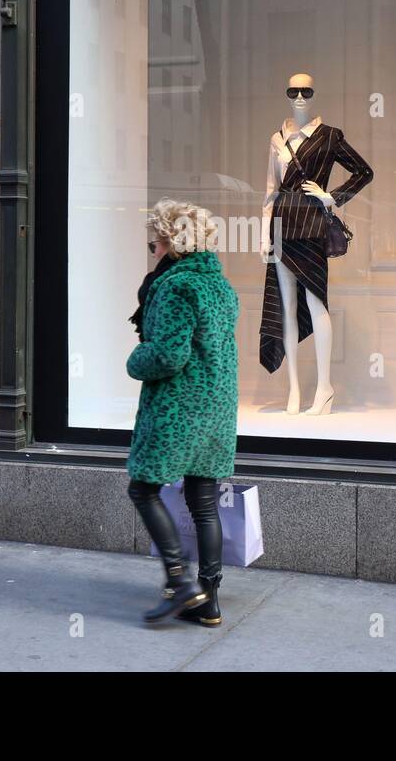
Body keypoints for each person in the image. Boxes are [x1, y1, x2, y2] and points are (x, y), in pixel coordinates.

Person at [126, 198, 239, 624]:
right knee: (203, 501)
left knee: (143, 487)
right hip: (215, 407)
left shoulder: (175, 287)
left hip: (179, 407)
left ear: (171, 244)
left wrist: (136, 360)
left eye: (153, 245)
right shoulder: (219, 285)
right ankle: (207, 600)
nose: (151, 252)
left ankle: (179, 582)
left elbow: (169, 355)